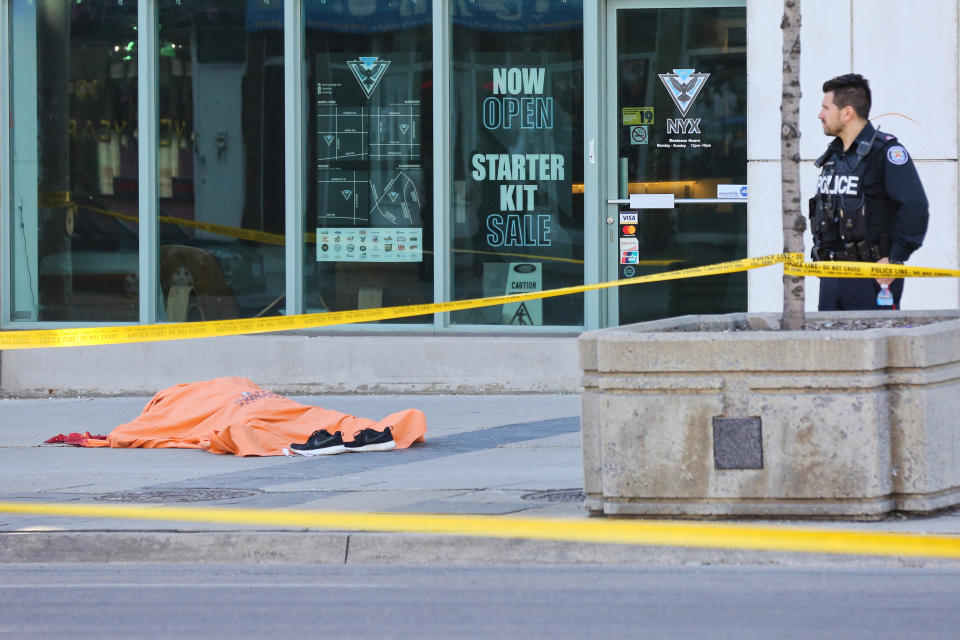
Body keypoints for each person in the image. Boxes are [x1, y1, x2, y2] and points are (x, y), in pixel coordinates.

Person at [809, 73, 929, 310]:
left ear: (847, 112)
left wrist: (895, 258)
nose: (820, 114)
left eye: (825, 108)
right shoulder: (833, 155)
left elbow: (915, 206)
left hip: (872, 276)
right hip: (831, 276)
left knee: (872, 344)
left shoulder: (885, 152)